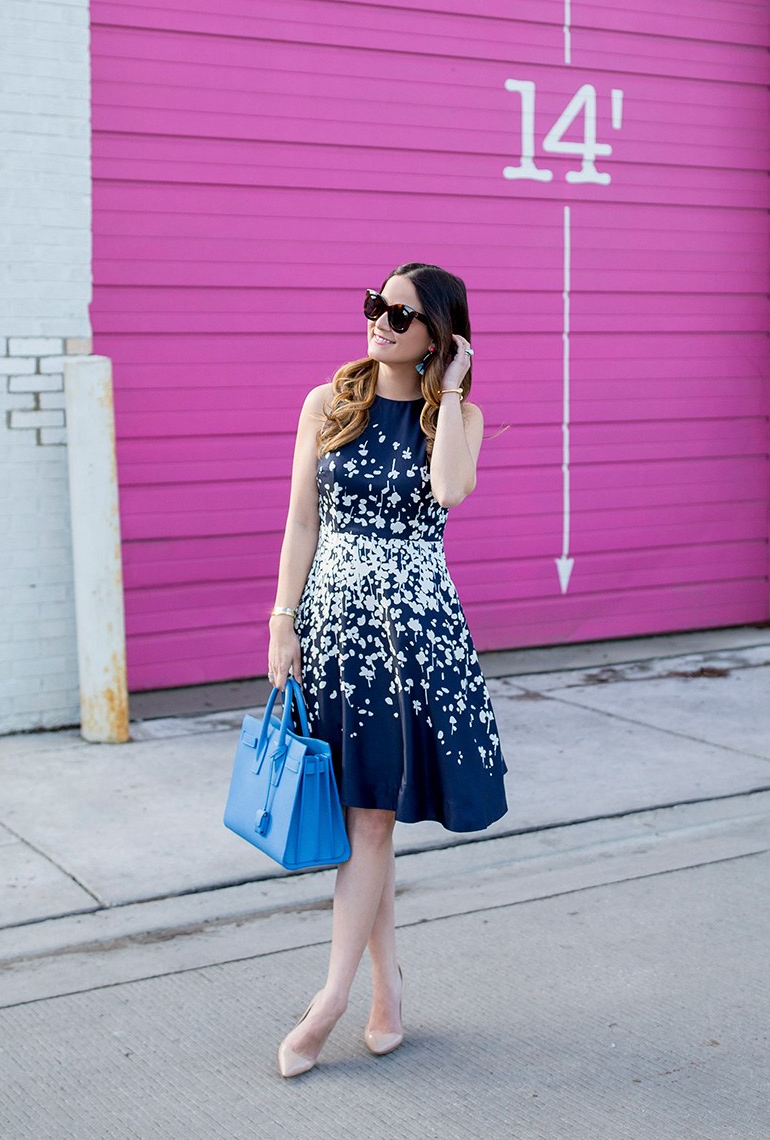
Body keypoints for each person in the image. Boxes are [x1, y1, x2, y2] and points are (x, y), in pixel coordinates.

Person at [267, 261, 508, 1078]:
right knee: (362, 820)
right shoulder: (326, 402)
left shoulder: (461, 419)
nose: (379, 321)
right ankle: (386, 990)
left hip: (412, 636)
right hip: (334, 627)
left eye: (400, 315)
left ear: (439, 335)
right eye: (375, 305)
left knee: (369, 821)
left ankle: (328, 1001)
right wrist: (281, 620)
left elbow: (448, 490)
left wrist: (453, 386)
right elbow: (303, 520)